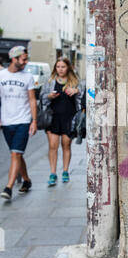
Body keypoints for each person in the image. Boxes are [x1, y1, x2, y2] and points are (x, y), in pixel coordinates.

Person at [0, 46, 37, 200]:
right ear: (14, 59)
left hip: (23, 120)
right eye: (23, 59)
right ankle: (27, 181)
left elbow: (32, 99)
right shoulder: (1, 75)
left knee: (15, 153)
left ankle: (8, 188)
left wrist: (34, 121)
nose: (26, 62)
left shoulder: (27, 77)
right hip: (6, 121)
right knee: (16, 154)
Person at [40, 57, 83, 186]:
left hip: (69, 118)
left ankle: (65, 171)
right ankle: (52, 173)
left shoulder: (74, 81)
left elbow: (82, 97)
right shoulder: (50, 81)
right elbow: (42, 98)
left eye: (63, 67)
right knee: (53, 146)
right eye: (58, 67)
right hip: (53, 118)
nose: (60, 69)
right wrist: (49, 96)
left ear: (68, 67)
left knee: (66, 145)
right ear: (55, 68)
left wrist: (76, 91)